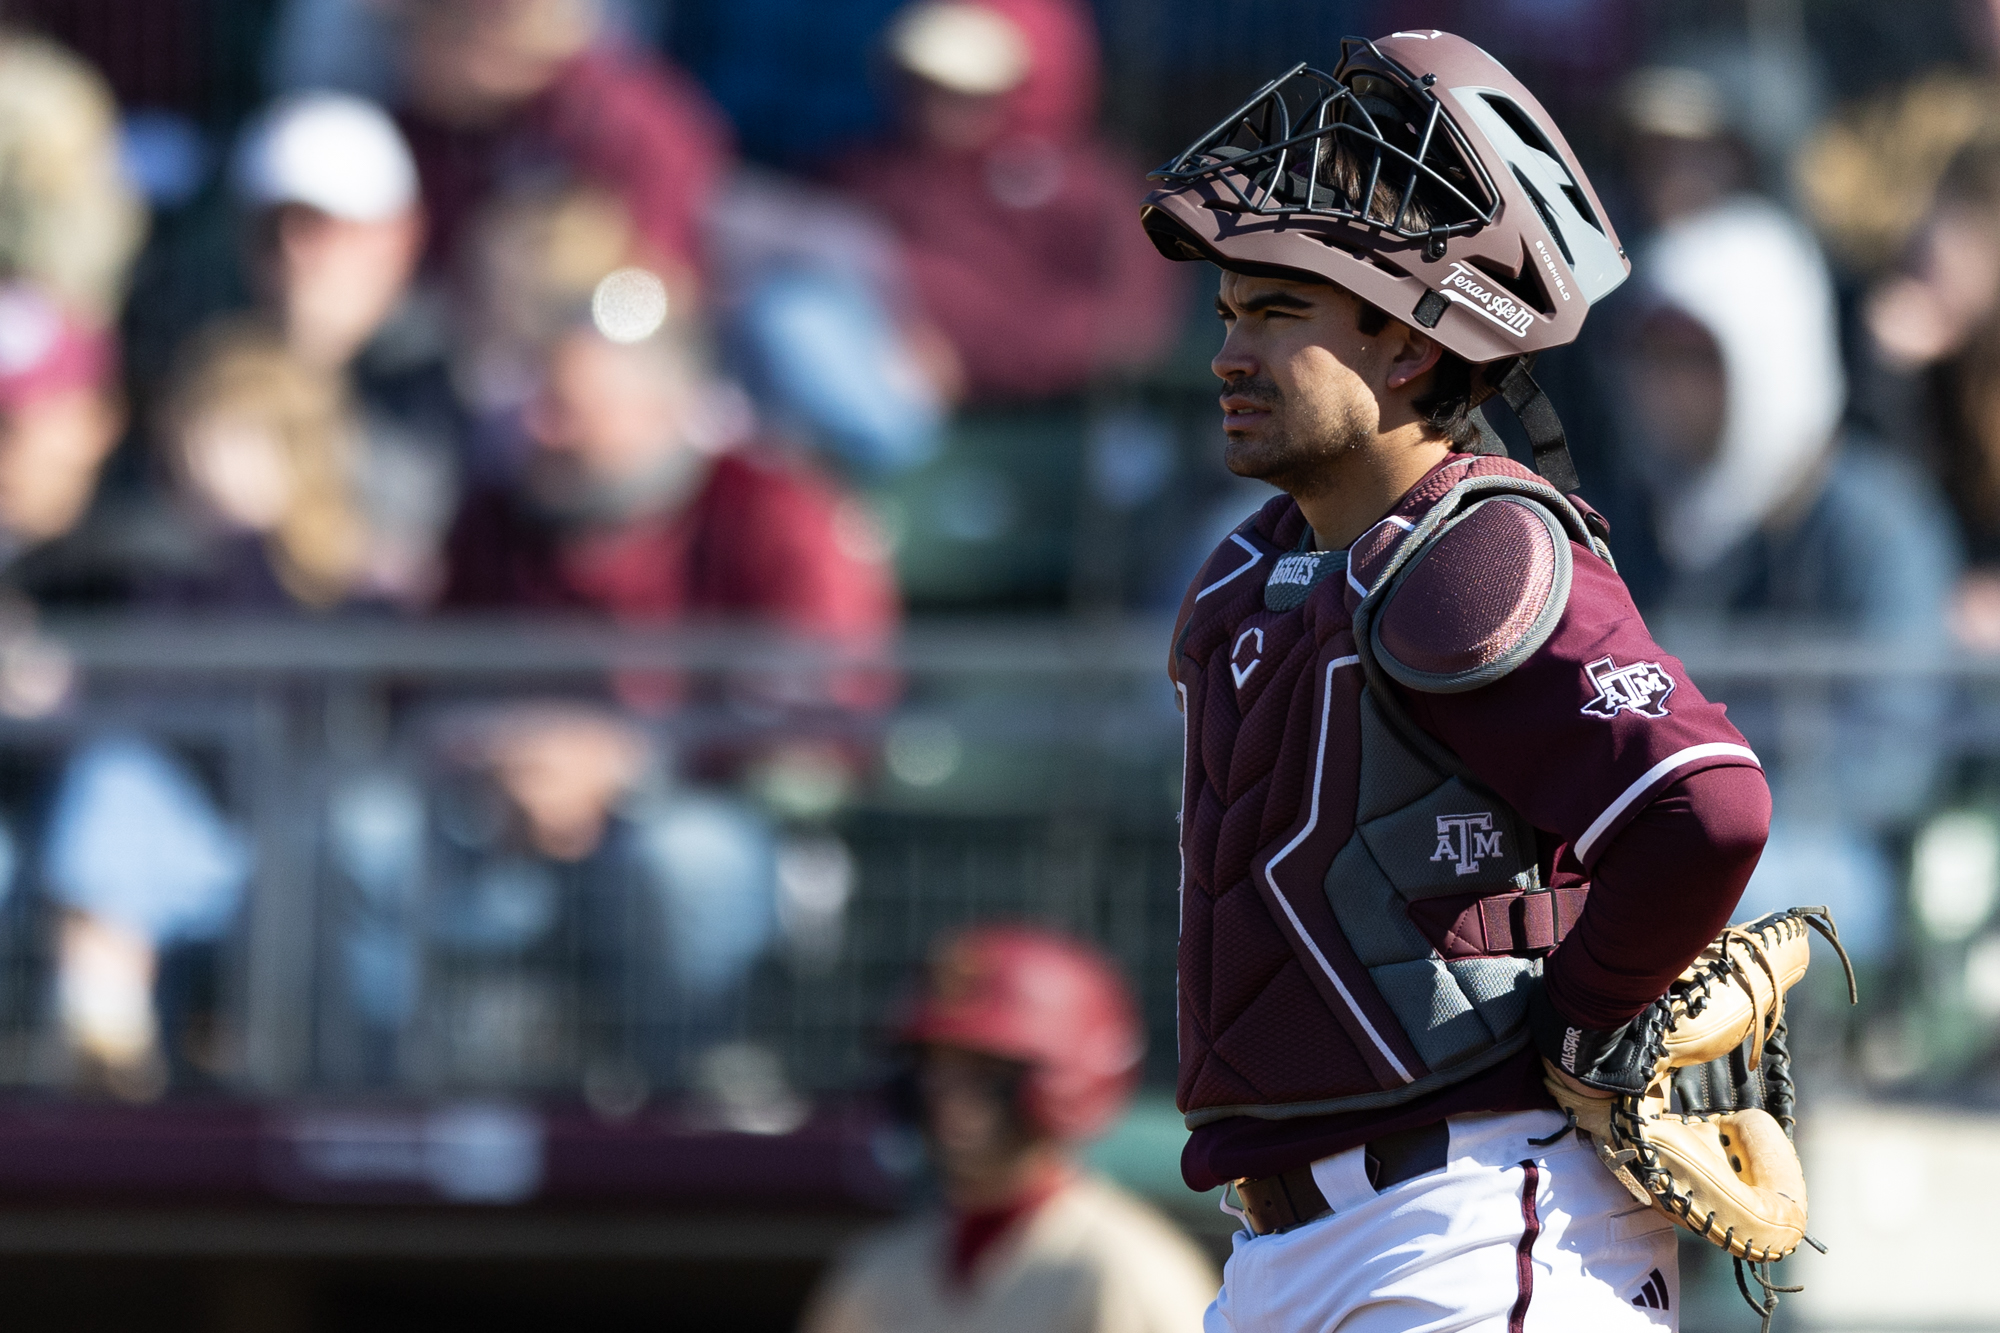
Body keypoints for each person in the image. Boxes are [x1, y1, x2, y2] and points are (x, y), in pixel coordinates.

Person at [1137, 33, 1771, 1328]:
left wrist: (1593, 1015)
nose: (1230, 354)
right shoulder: (1252, 574)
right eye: (1227, 314)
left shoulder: (1475, 549)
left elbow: (1706, 808)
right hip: (1278, 1248)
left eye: (1278, 313)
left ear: (1410, 350)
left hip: (1475, 1218)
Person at [802, 924, 1217, 1333]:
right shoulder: (876, 1274)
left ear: (1065, 1078)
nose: (948, 1096)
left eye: (984, 1069)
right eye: (933, 1066)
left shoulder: (1124, 1270)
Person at [832, 0, 1179, 403]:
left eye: (962, 91)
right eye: (920, 83)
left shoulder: (1092, 194)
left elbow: (1126, 331)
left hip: (1038, 419)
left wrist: (966, 355)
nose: (933, 108)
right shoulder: (866, 175)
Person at [226, 92, 461, 605]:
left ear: (399, 234)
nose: (291, 251)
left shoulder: (454, 370)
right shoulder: (211, 366)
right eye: (272, 229)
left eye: (320, 227)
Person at [392, 0, 731, 285]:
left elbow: (665, 288)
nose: (409, 55)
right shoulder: (431, 126)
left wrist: (589, 303)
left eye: (427, 29)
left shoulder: (618, 122)